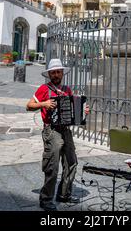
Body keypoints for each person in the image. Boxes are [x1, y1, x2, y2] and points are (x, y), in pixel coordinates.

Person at [26, 58, 89, 212]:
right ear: (49, 74)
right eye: (53, 72)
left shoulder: (67, 90)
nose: (56, 74)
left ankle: (64, 194)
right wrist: (43, 104)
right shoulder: (43, 89)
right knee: (52, 165)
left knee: (71, 162)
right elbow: (28, 106)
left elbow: (73, 109)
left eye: (58, 72)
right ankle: (46, 199)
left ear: (62, 73)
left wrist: (82, 112)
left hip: (66, 130)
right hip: (51, 130)